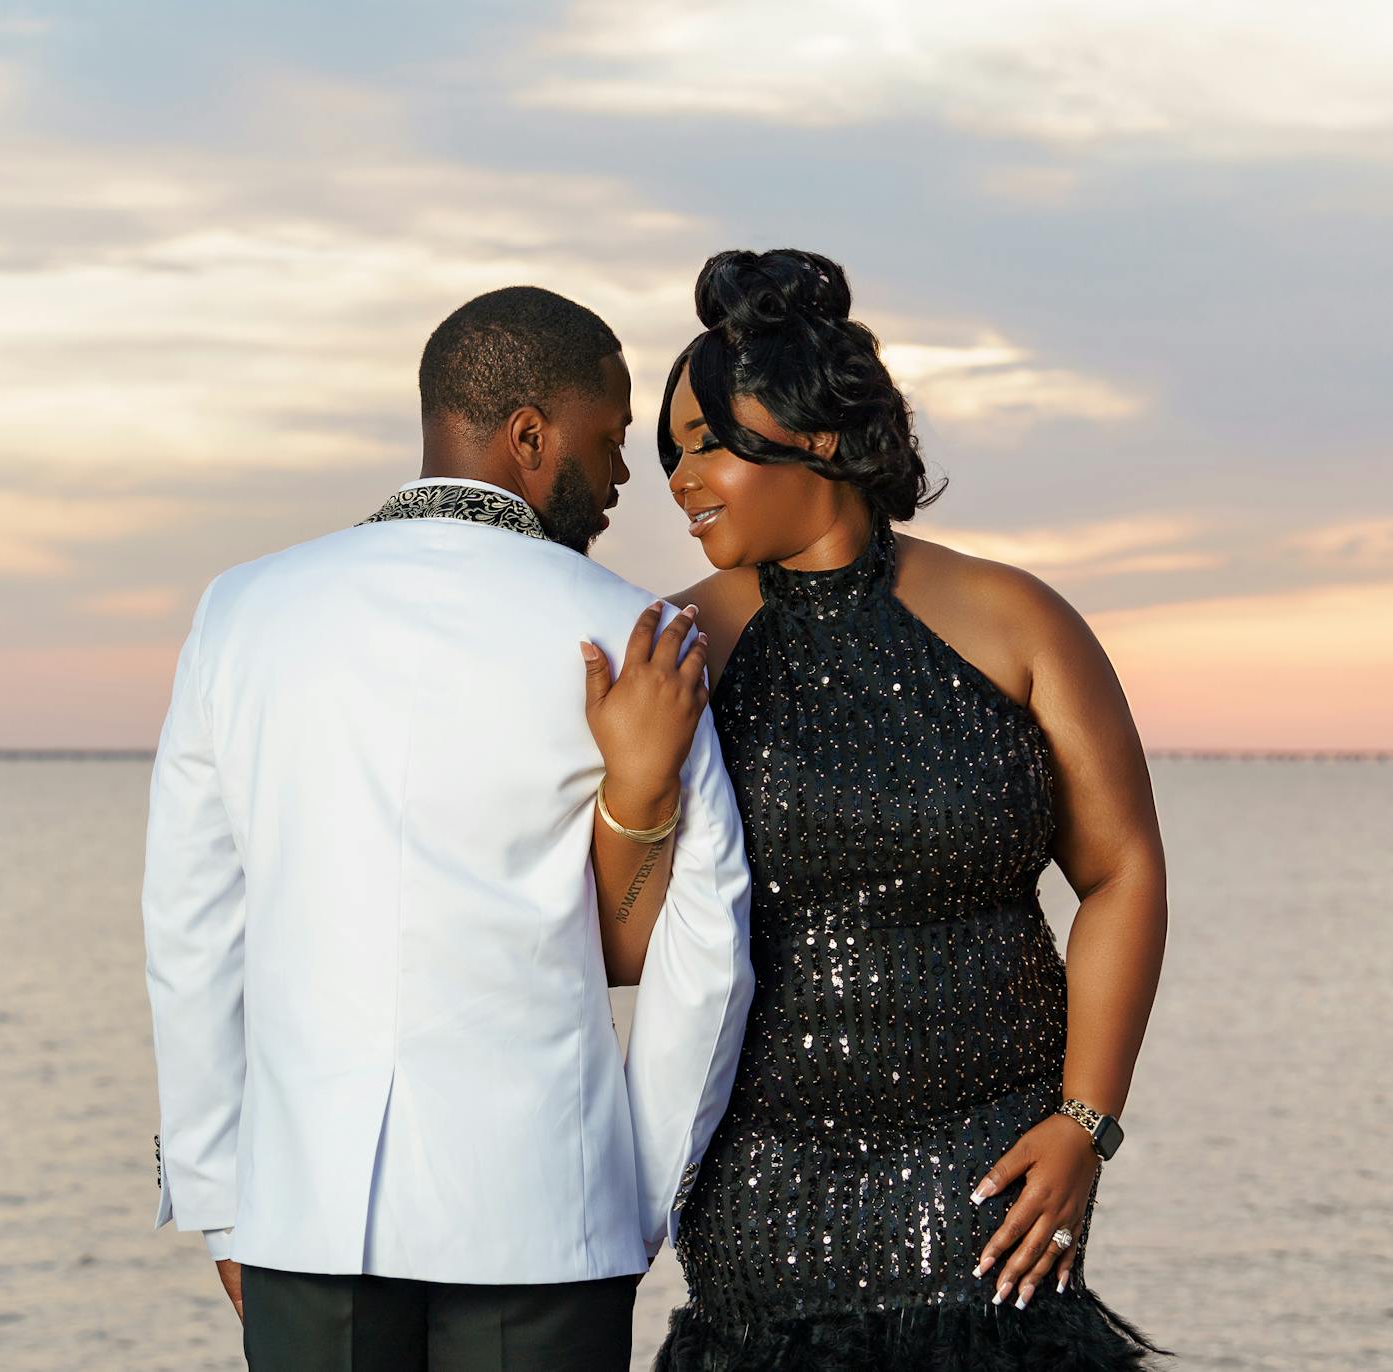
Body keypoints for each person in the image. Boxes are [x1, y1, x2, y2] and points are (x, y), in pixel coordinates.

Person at [141, 285, 754, 1372]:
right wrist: (632, 1197)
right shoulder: (637, 635)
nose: (624, 480)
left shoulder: (241, 612)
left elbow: (192, 931)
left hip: (303, 1208)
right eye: (610, 442)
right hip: (544, 1215)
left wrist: (220, 1202)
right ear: (530, 435)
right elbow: (706, 952)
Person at [595, 250, 1173, 1369]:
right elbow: (622, 943)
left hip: (995, 1177)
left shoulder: (1018, 619)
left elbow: (1122, 873)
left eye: (709, 441)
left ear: (816, 435)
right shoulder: (670, 651)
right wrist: (639, 783)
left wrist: (1086, 1124)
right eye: (673, 452)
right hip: (759, 1188)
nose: (678, 476)